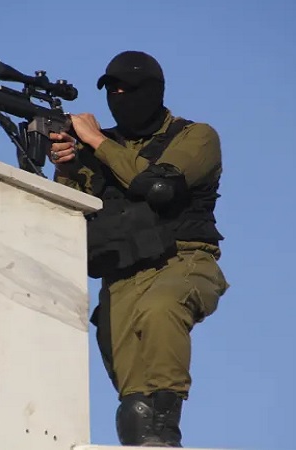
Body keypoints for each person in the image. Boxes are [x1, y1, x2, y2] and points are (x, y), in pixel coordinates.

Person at [49, 50, 230, 447]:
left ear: (154, 91)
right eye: (112, 91)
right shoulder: (98, 149)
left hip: (182, 259)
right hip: (121, 273)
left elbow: (160, 187)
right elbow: (70, 209)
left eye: (129, 90)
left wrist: (95, 140)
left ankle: (167, 432)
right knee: (131, 390)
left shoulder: (195, 136)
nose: (119, 98)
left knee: (161, 310)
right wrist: (66, 165)